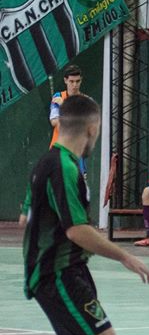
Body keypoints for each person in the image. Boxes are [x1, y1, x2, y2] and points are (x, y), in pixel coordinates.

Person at [15, 94, 149, 335]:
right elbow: (76, 229)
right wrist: (124, 256)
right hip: (57, 271)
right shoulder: (62, 166)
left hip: (61, 268)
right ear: (92, 129)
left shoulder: (53, 162)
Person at [19, 65, 86, 227]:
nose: (75, 85)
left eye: (77, 81)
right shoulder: (57, 96)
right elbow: (56, 123)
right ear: (65, 81)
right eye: (71, 81)